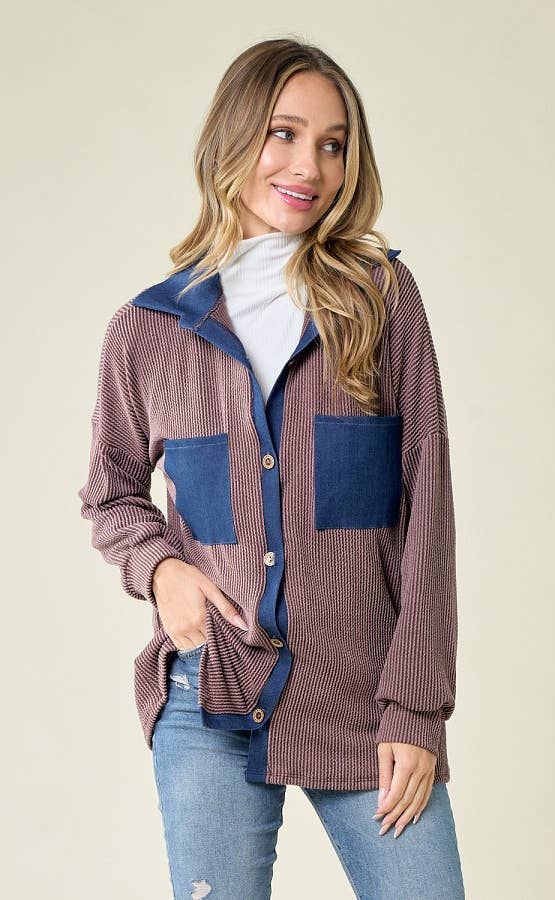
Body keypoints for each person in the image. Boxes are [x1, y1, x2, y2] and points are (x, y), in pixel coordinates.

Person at [77, 37, 465, 900]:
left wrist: (416, 708)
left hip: (368, 702)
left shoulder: (380, 300)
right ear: (233, 136)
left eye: (333, 144)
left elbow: (428, 512)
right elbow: (110, 492)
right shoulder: (148, 329)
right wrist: (162, 569)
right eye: (283, 134)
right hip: (211, 694)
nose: (308, 167)